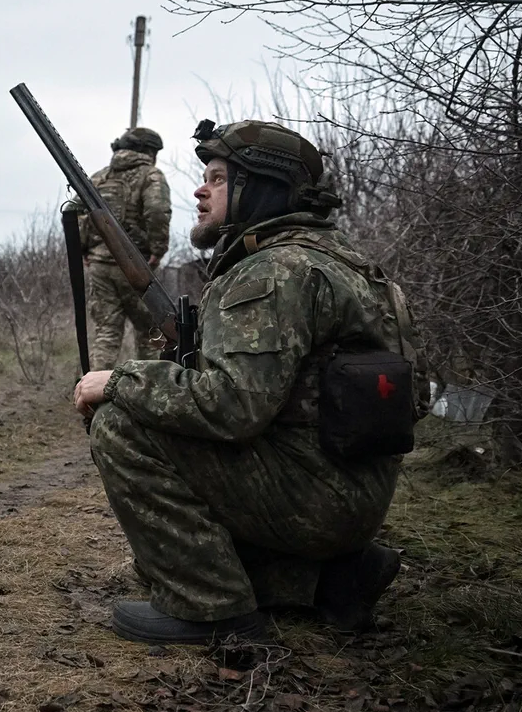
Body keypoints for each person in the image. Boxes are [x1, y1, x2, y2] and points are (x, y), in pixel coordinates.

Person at [72, 120, 428, 645]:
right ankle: (333, 580)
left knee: (121, 424)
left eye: (216, 178)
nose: (199, 188)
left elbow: (230, 406)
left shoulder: (270, 273)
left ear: (255, 188)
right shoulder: (346, 263)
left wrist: (119, 380)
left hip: (315, 499)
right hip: (354, 494)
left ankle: (212, 610)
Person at [78, 127, 172, 370]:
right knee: (150, 331)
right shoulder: (151, 176)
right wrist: (158, 249)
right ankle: (147, 392)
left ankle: (94, 396)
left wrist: (85, 249)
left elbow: (76, 213)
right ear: (149, 152)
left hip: (99, 266)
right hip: (135, 264)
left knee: (106, 332)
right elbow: (157, 211)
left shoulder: (100, 177)